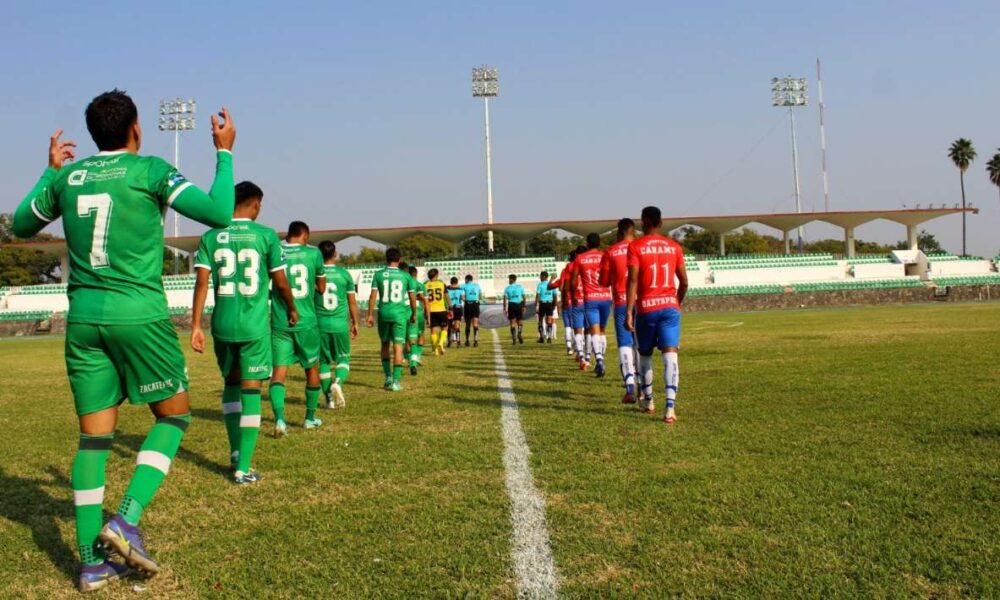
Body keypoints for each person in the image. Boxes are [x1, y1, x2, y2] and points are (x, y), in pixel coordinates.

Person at [11, 89, 236, 590]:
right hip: (139, 315)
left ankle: (92, 565)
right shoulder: (151, 169)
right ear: (137, 128)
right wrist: (224, 151)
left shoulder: (70, 177)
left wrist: (50, 171)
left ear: (93, 135)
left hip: (84, 320)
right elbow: (220, 213)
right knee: (174, 415)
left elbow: (24, 221)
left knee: (93, 439)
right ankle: (126, 518)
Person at [191, 181, 296, 485]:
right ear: (254, 204)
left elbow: (201, 283)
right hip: (253, 325)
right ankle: (243, 468)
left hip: (222, 324)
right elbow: (280, 282)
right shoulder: (265, 236)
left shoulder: (210, 236)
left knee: (231, 384)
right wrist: (291, 307)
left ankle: (235, 452)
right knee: (251, 390)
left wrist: (197, 325)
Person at [626, 206, 688, 423]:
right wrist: (675, 302)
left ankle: (649, 400)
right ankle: (670, 408)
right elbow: (685, 282)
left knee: (645, 355)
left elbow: (632, 280)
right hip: (670, 306)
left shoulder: (636, 246)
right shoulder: (674, 246)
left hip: (647, 307)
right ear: (660, 222)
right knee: (670, 354)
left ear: (644, 221)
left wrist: (628, 311)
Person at [269, 221, 326, 434]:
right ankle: (309, 418)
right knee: (312, 368)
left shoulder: (275, 250)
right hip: (306, 321)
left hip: (279, 320)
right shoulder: (313, 254)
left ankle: (280, 421)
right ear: (305, 236)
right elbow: (322, 288)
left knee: (279, 371)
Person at [315, 240, 359, 409]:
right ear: (335, 254)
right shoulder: (344, 274)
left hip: (320, 324)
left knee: (323, 362)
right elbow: (352, 303)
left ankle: (329, 401)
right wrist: (355, 322)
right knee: (343, 359)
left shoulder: (314, 275)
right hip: (340, 324)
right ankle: (338, 383)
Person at [366, 248, 417, 391]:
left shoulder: (378, 274)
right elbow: (412, 299)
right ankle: (395, 381)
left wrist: (370, 314)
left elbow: (373, 296)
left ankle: (388, 377)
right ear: (399, 260)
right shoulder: (405, 276)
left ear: (386, 259)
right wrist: (413, 313)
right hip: (399, 314)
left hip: (383, 313)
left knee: (384, 345)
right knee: (398, 346)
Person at [600, 218, 639, 404]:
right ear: (633, 230)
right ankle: (644, 387)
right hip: (643, 302)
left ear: (619, 232)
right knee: (640, 344)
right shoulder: (641, 247)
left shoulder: (611, 251)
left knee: (624, 342)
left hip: (622, 302)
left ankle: (630, 385)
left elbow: (604, 281)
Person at [572, 233, 614, 378]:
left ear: (587, 243)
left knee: (593, 331)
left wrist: (573, 295)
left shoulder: (580, 258)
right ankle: (601, 357)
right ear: (599, 243)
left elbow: (573, 281)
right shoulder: (605, 256)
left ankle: (599, 360)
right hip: (606, 297)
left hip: (590, 299)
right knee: (602, 331)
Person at [404, 264, 430, 375]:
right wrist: (428, 316)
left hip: (404, 312)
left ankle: (409, 357)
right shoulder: (420, 285)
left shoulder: (403, 284)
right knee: (420, 335)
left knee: (406, 338)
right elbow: (426, 302)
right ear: (416, 274)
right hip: (418, 313)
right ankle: (417, 357)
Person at [550, 252, 577, 355]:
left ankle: (570, 347)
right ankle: (579, 349)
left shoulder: (565, 270)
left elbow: (558, 287)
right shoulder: (581, 268)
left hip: (568, 302)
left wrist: (553, 280)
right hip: (579, 302)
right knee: (578, 326)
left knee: (568, 326)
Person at [424, 268, 450, 355]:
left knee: (433, 330)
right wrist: (450, 307)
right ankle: (441, 342)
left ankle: (435, 350)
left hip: (430, 310)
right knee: (444, 328)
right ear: (436, 275)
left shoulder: (425, 285)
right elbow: (447, 297)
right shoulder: (442, 284)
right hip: (441, 309)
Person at [535, 271, 557, 343]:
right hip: (549, 304)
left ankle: (541, 337)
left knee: (540, 320)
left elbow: (537, 295)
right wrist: (554, 305)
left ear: (544, 277)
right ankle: (549, 338)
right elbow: (555, 295)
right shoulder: (551, 284)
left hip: (542, 304)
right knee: (549, 320)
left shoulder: (540, 285)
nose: (540, 278)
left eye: (540, 276)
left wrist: (537, 305)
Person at [504, 274, 526, 344]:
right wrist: (524, 306)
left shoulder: (507, 288)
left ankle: (514, 338)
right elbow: (524, 297)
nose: (509, 280)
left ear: (512, 279)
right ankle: (519, 333)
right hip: (519, 305)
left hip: (511, 305)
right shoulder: (520, 287)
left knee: (512, 322)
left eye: (509, 279)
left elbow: (505, 299)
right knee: (520, 321)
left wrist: (504, 308)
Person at [462, 274, 482, 347]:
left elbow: (461, 294)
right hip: (476, 304)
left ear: (467, 279)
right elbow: (480, 295)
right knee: (475, 323)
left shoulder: (464, 285)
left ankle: (467, 340)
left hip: (468, 304)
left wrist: (465, 300)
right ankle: (476, 341)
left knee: (468, 323)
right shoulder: (477, 285)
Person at [447, 277, 465, 347]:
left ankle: (449, 342)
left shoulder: (447, 289)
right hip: (458, 307)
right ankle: (458, 342)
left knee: (450, 325)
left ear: (451, 282)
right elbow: (463, 298)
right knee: (457, 325)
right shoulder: (461, 289)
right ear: (457, 282)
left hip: (450, 308)